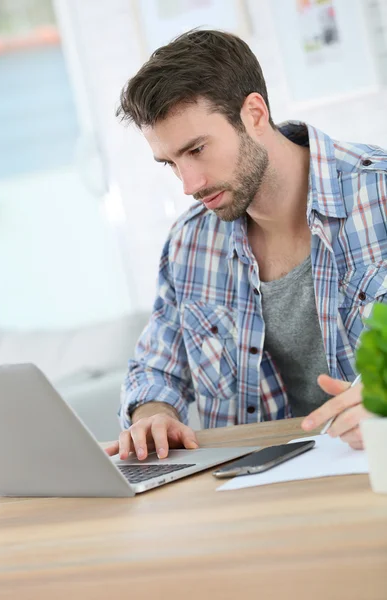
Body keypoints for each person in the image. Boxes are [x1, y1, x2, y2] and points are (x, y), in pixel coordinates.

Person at [106, 29, 387, 461]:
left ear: (254, 113)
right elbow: (156, 368)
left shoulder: (380, 193)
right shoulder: (190, 243)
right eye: (171, 164)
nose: (188, 184)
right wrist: (153, 414)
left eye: (197, 150)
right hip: (255, 492)